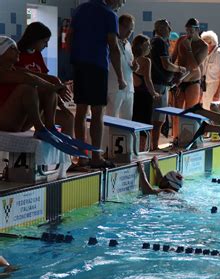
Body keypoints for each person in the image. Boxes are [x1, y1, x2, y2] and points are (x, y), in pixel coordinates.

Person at [0, 36, 86, 158]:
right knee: (27, 88)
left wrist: (58, 90)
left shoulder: (16, 69)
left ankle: (50, 127)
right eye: (12, 48)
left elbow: (50, 79)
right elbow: (28, 78)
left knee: (46, 90)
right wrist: (52, 86)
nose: (18, 51)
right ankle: (40, 128)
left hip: (20, 123)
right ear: (1, 53)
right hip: (4, 121)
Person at [69, 0, 125, 168]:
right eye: (121, 0)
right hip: (97, 66)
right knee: (97, 112)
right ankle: (95, 157)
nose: (122, 3)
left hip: (79, 64)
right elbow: (113, 46)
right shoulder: (109, 14)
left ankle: (81, 156)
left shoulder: (80, 9)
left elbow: (70, 35)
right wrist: (120, 76)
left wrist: (76, 58)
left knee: (80, 110)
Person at [16, 22, 75, 137]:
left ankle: (63, 154)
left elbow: (49, 84)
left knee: (68, 118)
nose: (46, 46)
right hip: (24, 107)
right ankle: (47, 131)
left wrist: (63, 106)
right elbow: (46, 83)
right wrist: (55, 84)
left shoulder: (37, 55)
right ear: (35, 39)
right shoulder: (16, 55)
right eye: (44, 42)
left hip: (40, 106)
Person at [150, 19, 187, 150]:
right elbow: (166, 64)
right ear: (160, 29)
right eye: (167, 28)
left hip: (159, 83)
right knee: (158, 117)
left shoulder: (155, 41)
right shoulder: (160, 42)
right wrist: (179, 69)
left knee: (157, 116)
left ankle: (152, 145)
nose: (170, 30)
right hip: (159, 85)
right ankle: (154, 146)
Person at [172, 18, 208, 111]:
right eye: (187, 31)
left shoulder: (203, 46)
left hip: (193, 82)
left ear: (197, 30)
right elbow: (173, 58)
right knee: (176, 113)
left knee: (190, 113)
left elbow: (194, 66)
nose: (188, 34)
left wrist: (189, 48)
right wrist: (172, 76)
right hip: (179, 81)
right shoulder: (181, 40)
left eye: (191, 31)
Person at [106, 14, 136, 120]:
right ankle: (106, 138)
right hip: (114, 86)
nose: (129, 32)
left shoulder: (128, 44)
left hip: (129, 87)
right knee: (111, 118)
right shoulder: (110, 41)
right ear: (118, 25)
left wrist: (134, 67)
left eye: (131, 30)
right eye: (126, 28)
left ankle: (125, 138)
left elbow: (130, 63)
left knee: (127, 120)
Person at [201, 31, 220, 110]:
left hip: (216, 87)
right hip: (206, 86)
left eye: (204, 43)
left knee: (215, 113)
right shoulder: (206, 53)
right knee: (206, 111)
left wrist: (218, 93)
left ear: (210, 42)